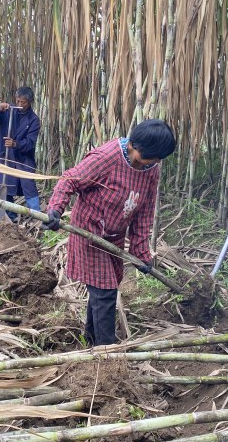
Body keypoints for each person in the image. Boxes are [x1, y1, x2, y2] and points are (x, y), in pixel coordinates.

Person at [42, 119, 177, 346]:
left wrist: (140, 253)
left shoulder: (151, 168)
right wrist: (55, 209)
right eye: (149, 158)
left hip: (114, 238)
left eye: (157, 160)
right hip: (89, 233)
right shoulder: (106, 158)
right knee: (104, 292)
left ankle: (92, 341)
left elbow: (144, 210)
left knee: (101, 292)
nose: (152, 164)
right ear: (134, 145)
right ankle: (106, 353)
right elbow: (69, 180)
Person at [0, 87, 41, 219]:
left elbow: (30, 143)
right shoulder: (7, 110)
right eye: (18, 101)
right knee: (4, 183)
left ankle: (38, 216)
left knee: (28, 185)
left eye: (24, 102)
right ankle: (10, 216)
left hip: (23, 158)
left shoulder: (34, 120)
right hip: (5, 155)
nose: (20, 104)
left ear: (30, 102)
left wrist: (16, 144)